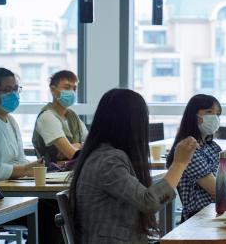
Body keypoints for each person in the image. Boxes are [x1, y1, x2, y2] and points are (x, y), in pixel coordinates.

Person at [70, 89, 198, 243]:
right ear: (130, 123)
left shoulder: (102, 154)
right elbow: (148, 202)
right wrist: (179, 164)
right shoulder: (109, 161)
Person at [166, 94, 226, 222]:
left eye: (217, 114)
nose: (214, 117)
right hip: (201, 216)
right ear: (193, 115)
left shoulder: (213, 147)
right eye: (209, 112)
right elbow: (217, 190)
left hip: (224, 212)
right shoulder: (187, 149)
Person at [32, 70, 88, 169]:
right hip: (51, 176)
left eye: (74, 89)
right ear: (53, 90)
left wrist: (79, 145)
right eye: (67, 88)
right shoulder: (47, 117)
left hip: (72, 172)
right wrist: (80, 147)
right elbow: (72, 154)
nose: (72, 92)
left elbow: (91, 143)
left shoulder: (72, 116)